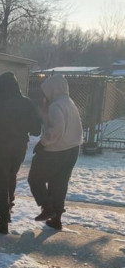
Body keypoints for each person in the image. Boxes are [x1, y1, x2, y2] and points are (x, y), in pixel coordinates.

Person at [0, 71, 42, 234]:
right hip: (19, 147)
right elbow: (36, 130)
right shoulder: (27, 103)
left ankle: (2, 219)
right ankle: (8, 208)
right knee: (11, 176)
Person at [27, 73, 83, 230]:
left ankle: (47, 208)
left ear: (53, 89)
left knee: (35, 179)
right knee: (59, 183)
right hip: (73, 149)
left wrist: (43, 143)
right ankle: (56, 219)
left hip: (57, 150)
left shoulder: (56, 105)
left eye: (47, 90)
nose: (45, 93)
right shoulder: (69, 102)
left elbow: (57, 129)